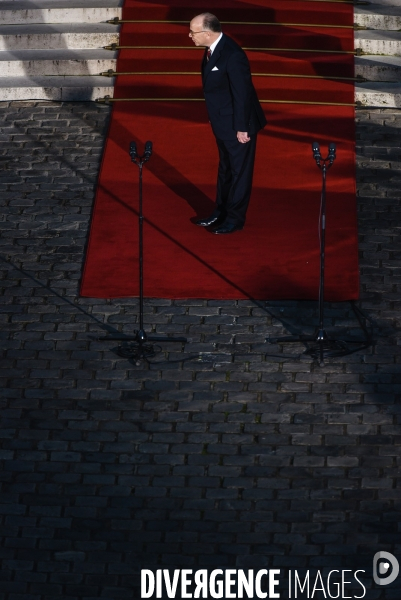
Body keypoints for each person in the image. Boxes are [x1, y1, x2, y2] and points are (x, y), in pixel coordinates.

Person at [189, 12, 267, 234]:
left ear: (207, 33)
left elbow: (242, 94)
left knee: (239, 173)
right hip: (223, 123)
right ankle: (220, 212)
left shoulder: (233, 55)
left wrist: (242, 128)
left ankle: (234, 219)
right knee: (226, 170)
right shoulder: (211, 50)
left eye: (193, 32)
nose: (190, 36)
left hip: (238, 126)